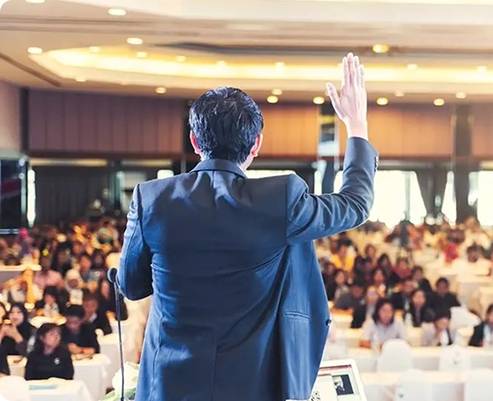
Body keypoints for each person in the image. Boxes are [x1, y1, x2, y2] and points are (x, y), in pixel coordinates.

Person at [117, 53, 377, 401]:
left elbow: (131, 287)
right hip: (253, 387)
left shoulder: (151, 199)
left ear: (194, 141)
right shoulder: (280, 200)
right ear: (256, 144)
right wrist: (357, 126)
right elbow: (355, 204)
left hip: (170, 386)